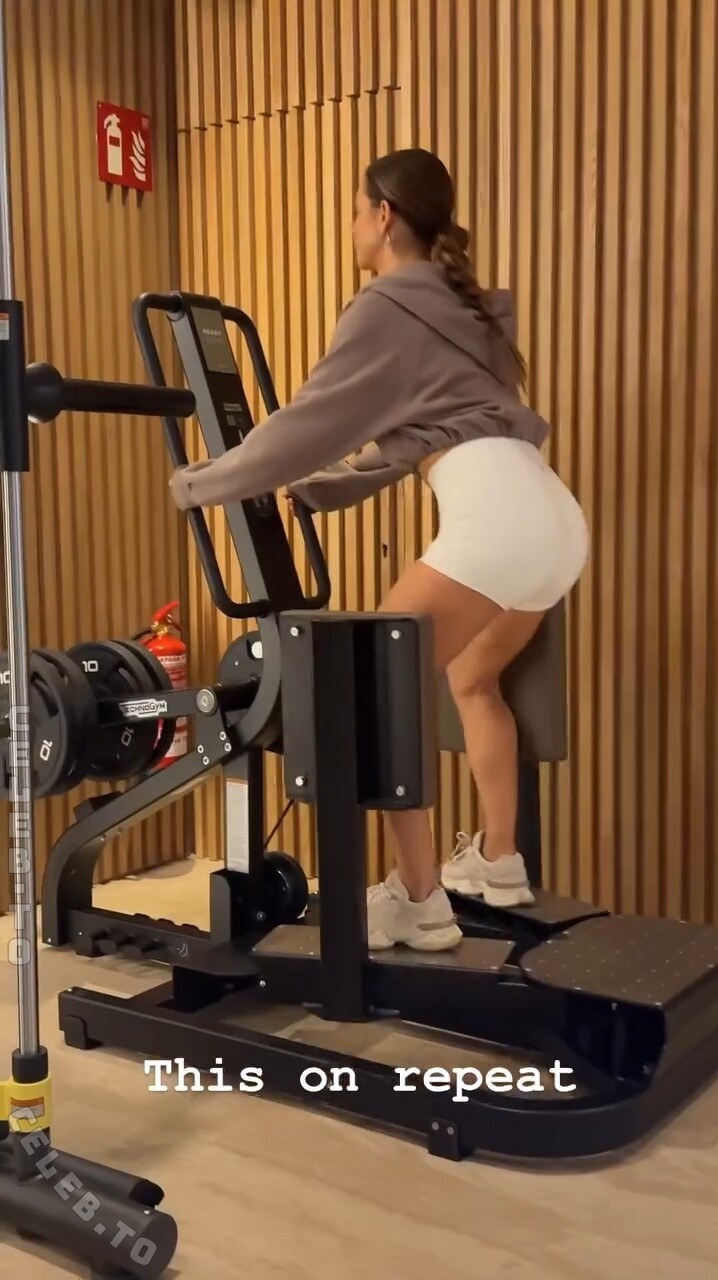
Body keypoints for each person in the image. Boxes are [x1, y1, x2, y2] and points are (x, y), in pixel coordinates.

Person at [169, 148, 589, 953]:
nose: (353, 225)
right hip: (554, 519)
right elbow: (420, 439)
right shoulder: (462, 306)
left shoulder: (385, 305)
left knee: (372, 688)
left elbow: (307, 425)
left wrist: (199, 484)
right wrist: (323, 492)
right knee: (472, 679)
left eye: (356, 210)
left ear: (383, 216)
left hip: (497, 520)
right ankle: (500, 862)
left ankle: (419, 900)